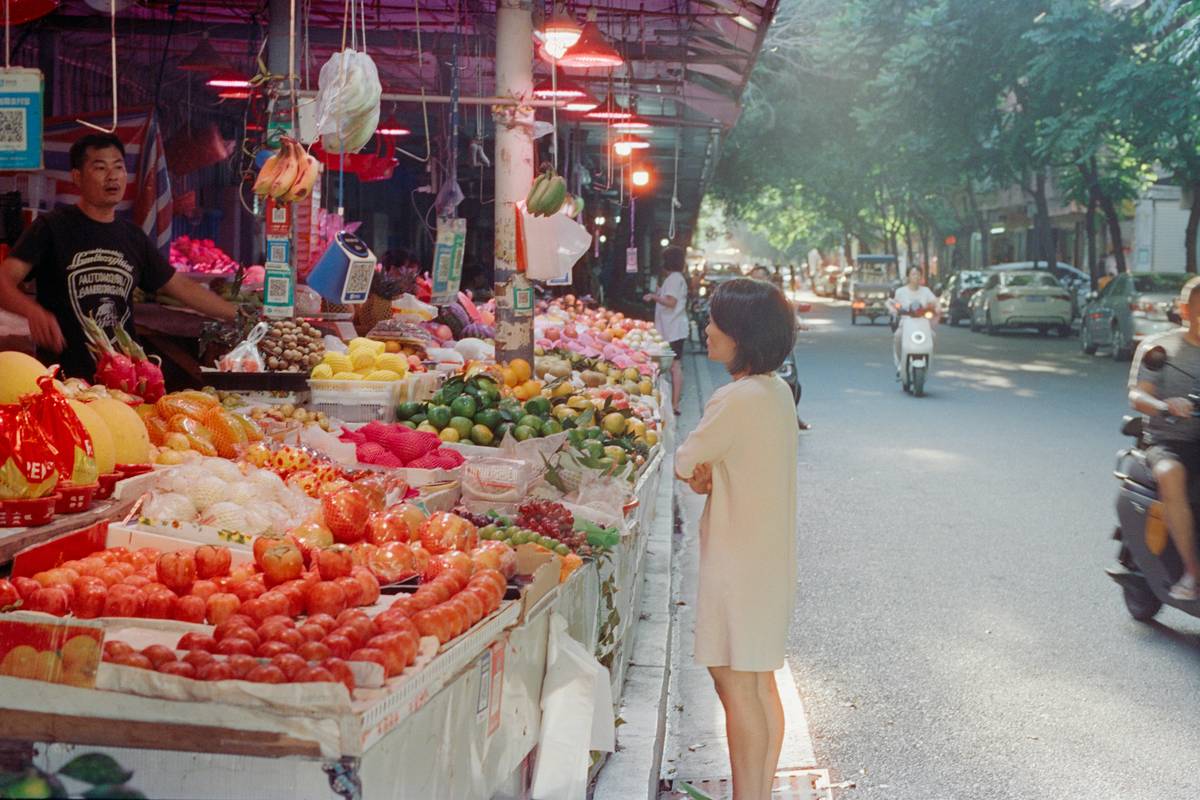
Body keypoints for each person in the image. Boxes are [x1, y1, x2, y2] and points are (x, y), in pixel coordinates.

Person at [675, 278, 798, 800]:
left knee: (735, 685)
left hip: (737, 563)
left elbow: (685, 460)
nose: (707, 329)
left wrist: (702, 472)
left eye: (715, 322)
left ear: (740, 334)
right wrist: (709, 473)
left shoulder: (735, 398)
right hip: (766, 559)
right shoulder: (775, 392)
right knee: (757, 682)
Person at [0, 132, 236, 379]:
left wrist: (238, 315)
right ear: (77, 177)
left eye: (119, 167)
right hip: (65, 378)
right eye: (100, 167)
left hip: (123, 378)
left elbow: (182, 287)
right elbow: (4, 281)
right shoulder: (51, 228)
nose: (112, 176)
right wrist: (32, 311)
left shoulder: (133, 237)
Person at [1127, 281, 1200, 600]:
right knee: (1172, 473)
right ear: (1184, 310)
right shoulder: (1160, 349)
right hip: (1168, 440)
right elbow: (1138, 394)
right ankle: (1192, 573)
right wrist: (1164, 406)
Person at [644, 246, 689, 415]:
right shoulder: (675, 278)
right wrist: (658, 291)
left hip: (672, 330)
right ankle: (670, 402)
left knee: (672, 366)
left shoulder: (674, 279)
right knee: (667, 366)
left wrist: (653, 297)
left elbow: (671, 302)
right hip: (670, 329)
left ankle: (674, 404)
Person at [890, 266, 938, 379]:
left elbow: (935, 302)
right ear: (908, 276)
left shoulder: (926, 291)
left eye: (918, 274)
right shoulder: (900, 291)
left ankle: (927, 360)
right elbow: (894, 305)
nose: (916, 276)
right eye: (913, 274)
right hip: (906, 323)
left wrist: (937, 307)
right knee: (898, 336)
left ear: (921, 276)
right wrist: (894, 310)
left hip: (922, 324)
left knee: (933, 336)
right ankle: (900, 364)